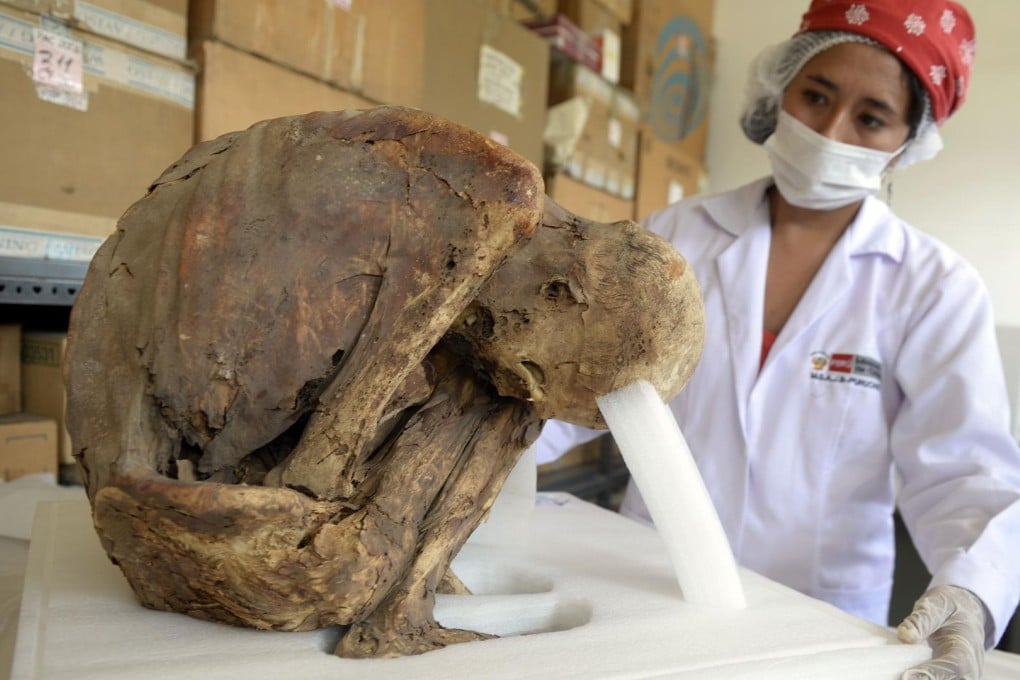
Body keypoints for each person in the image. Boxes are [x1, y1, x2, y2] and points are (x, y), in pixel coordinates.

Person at [533, 1, 1020, 678]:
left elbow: (963, 475)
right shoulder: (679, 235)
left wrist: (970, 593)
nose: (829, 130)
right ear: (780, 89)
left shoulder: (935, 287)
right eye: (815, 95)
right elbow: (574, 384)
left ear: (908, 143)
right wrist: (480, 437)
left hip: (821, 621)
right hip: (646, 585)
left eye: (871, 117)